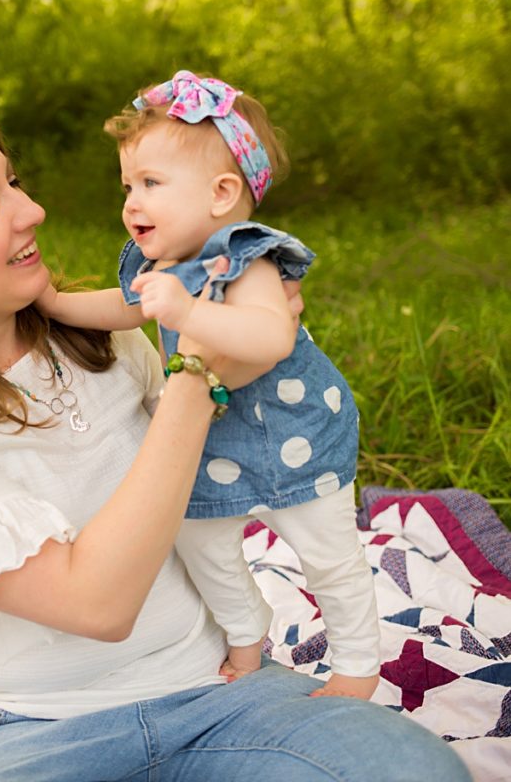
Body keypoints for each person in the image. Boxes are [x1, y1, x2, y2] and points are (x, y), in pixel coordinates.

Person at [0, 100, 471, 782]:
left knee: (416, 773)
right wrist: (199, 373)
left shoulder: (105, 342)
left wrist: (236, 338)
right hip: (23, 733)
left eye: (14, 183)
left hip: (221, 691)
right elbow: (96, 605)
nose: (32, 211)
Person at [45, 69, 380, 698]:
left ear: (222, 193)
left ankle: (357, 668)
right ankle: (247, 631)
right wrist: (54, 305)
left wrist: (187, 312)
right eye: (127, 185)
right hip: (215, 443)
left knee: (329, 557)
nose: (131, 202)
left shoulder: (247, 258)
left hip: (296, 437)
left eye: (151, 183)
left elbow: (271, 336)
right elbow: (125, 307)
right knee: (197, 540)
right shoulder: (164, 262)